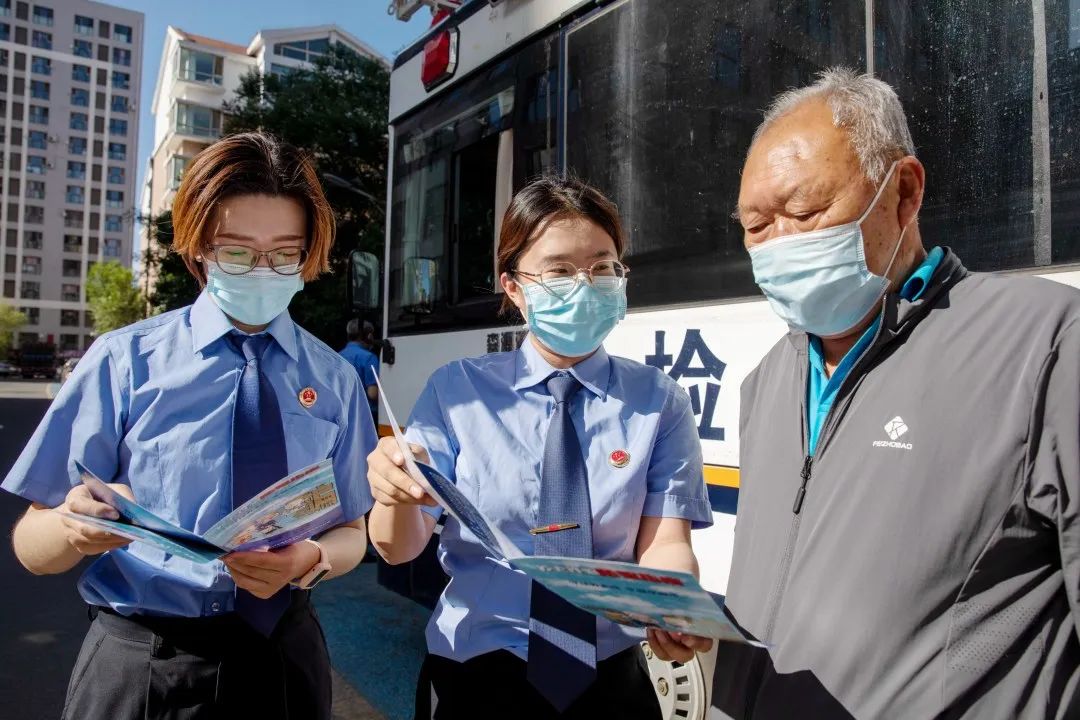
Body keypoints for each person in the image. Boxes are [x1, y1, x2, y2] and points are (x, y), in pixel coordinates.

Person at [712, 67, 1080, 718]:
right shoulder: (765, 381)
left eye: (803, 212)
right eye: (755, 227)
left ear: (903, 193)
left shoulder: (1049, 344)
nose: (778, 247)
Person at [3, 132, 377, 720]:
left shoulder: (334, 378)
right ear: (199, 247)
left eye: (285, 253)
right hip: (146, 663)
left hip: (285, 657)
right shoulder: (123, 361)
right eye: (236, 250)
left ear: (309, 256)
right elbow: (31, 547)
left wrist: (312, 558)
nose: (262, 270)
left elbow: (354, 532)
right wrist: (75, 529)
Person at [366, 176, 714, 720]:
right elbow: (398, 548)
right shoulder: (457, 392)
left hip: (610, 679)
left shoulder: (658, 402)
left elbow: (665, 542)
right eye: (558, 270)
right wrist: (394, 495)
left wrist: (672, 603)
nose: (584, 284)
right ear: (513, 286)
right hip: (476, 674)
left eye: (602, 267)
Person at [340, 318, 380, 420]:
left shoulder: (337, 356)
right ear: (368, 336)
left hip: (342, 413)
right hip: (365, 416)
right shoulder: (369, 357)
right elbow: (373, 394)